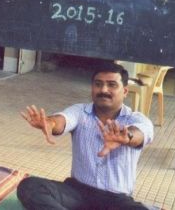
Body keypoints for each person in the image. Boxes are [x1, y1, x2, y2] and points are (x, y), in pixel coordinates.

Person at [18, 62, 154, 210]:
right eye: (98, 84)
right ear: (92, 88)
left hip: (115, 201)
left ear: (125, 91)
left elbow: (141, 133)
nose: (103, 90)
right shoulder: (80, 112)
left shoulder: (136, 119)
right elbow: (63, 120)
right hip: (77, 193)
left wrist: (127, 137)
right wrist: (50, 123)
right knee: (29, 187)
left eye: (112, 85)